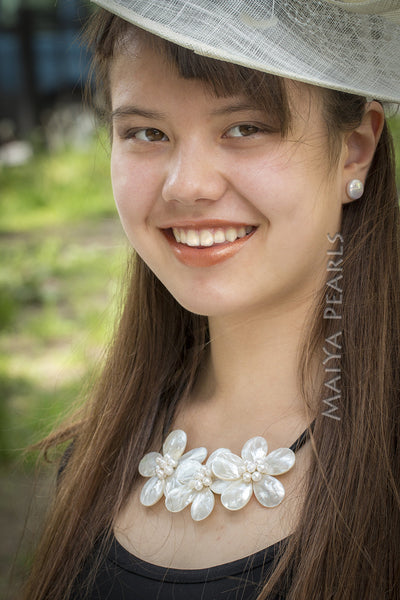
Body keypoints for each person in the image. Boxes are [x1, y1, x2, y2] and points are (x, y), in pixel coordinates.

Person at [23, 1, 400, 599]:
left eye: (244, 128)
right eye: (147, 133)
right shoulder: (96, 455)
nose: (187, 185)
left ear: (354, 149)